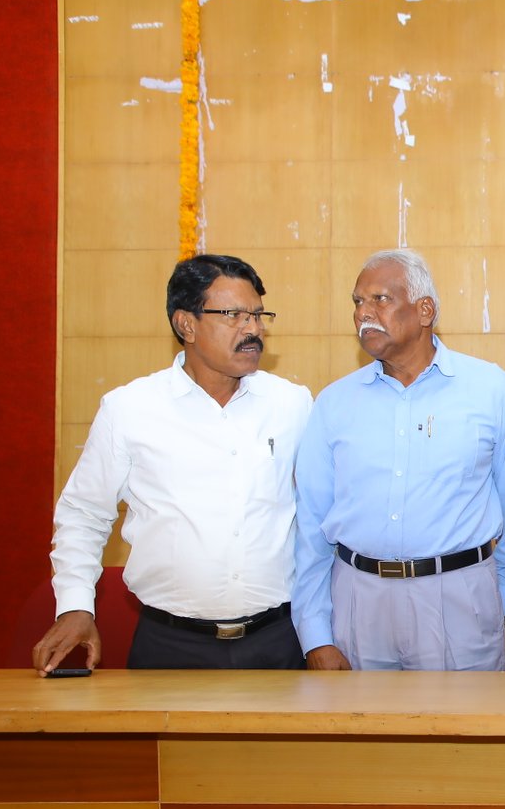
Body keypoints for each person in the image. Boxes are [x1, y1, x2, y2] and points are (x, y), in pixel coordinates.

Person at [33, 253, 313, 674]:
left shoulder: (292, 405)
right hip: (170, 645)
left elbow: (320, 515)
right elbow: (83, 515)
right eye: (234, 315)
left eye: (258, 315)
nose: (253, 329)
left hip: (277, 641)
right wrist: (75, 606)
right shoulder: (130, 409)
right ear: (186, 324)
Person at [292, 249, 505, 671]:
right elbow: (311, 525)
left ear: (425, 310)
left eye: (380, 299)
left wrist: (501, 609)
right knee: (361, 717)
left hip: (460, 602)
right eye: (357, 302)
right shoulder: (333, 403)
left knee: (469, 716)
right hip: (358, 601)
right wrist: (316, 635)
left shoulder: (490, 389)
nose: (363, 314)